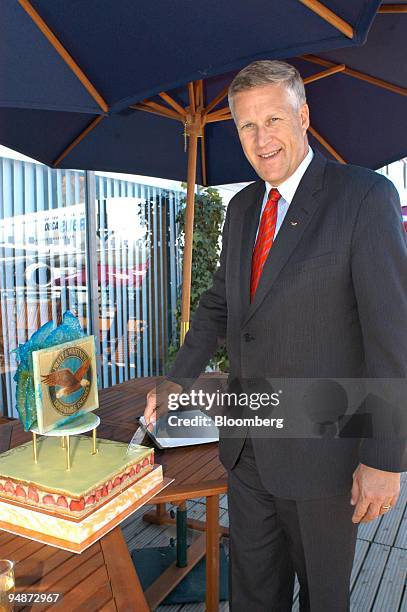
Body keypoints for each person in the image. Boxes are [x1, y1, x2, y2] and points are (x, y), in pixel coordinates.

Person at [144, 61, 407, 611]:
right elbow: (219, 303)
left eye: (273, 119)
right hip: (246, 444)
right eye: (246, 125)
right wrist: (176, 380)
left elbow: (393, 334)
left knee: (322, 599)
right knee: (253, 596)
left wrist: (386, 458)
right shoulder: (242, 208)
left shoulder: (363, 197)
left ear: (303, 116)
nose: (261, 139)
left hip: (324, 453)